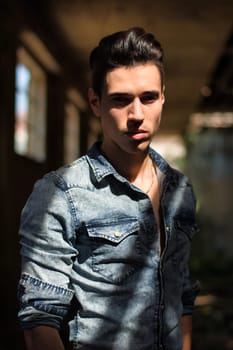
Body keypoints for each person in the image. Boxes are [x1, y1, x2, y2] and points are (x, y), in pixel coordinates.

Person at [18, 27, 200, 350]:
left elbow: (181, 295)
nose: (137, 115)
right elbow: (39, 322)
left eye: (148, 98)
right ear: (95, 102)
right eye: (120, 100)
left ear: (162, 98)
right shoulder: (59, 195)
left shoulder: (180, 190)